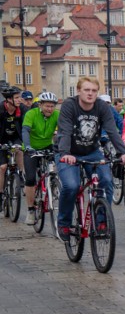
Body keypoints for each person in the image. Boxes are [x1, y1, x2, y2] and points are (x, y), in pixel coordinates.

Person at [54, 77, 125, 242]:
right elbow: (65, 131)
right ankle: (63, 223)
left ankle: (101, 221)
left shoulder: (102, 107)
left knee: (106, 181)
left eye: (94, 91)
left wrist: (123, 152)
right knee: (71, 185)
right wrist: (65, 153)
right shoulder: (70, 105)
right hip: (68, 153)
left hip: (92, 151)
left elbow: (112, 131)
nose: (90, 94)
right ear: (79, 91)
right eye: (86, 90)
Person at [22, 92, 59, 225]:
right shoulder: (31, 114)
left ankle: (54, 186)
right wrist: (27, 146)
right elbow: (25, 131)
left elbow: (63, 131)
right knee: (31, 178)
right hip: (31, 148)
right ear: (40, 105)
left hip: (48, 146)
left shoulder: (56, 115)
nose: (50, 109)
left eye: (52, 106)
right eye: (47, 106)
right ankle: (31, 210)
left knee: (57, 168)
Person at [0, 86, 27, 206]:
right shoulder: (1, 109)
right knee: (3, 167)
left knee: (19, 150)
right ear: (9, 99)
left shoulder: (21, 109)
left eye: (20, 97)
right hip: (1, 139)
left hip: (15, 137)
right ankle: (0, 194)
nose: (20, 100)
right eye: (17, 97)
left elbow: (28, 124)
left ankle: (22, 176)